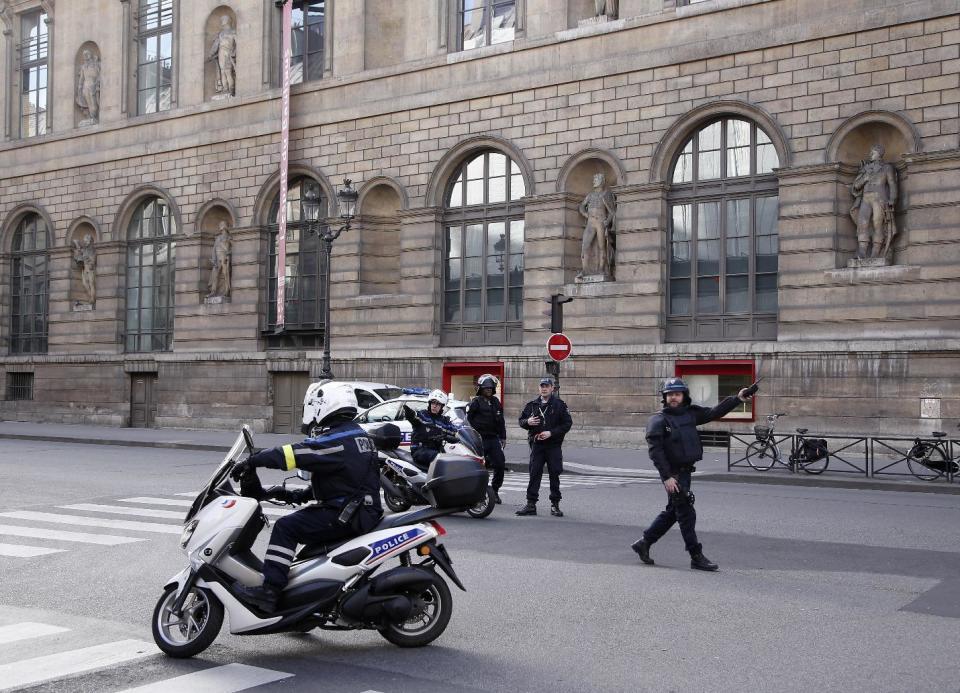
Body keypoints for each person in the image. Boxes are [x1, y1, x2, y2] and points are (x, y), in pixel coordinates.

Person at [230, 385, 382, 611]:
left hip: (350, 514)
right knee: (304, 551)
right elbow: (347, 480)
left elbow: (295, 454)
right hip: (356, 508)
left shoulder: (338, 439)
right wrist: (295, 495)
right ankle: (306, 601)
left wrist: (253, 460)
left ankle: (269, 591)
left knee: (286, 527)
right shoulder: (354, 434)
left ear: (324, 405)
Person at [631, 377, 754, 571]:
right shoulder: (658, 420)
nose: (673, 397)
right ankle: (696, 555)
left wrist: (737, 399)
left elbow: (714, 412)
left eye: (677, 394)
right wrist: (667, 477)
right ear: (664, 397)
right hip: (674, 474)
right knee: (687, 513)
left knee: (673, 512)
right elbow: (656, 452)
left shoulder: (691, 414)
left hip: (686, 471)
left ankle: (644, 543)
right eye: (670, 394)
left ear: (684, 396)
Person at [516, 376, 572, 517]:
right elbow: (521, 421)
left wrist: (551, 433)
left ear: (552, 388)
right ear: (539, 388)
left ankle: (555, 505)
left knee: (554, 474)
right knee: (534, 474)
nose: (544, 388)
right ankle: (531, 504)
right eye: (542, 386)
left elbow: (567, 424)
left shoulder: (560, 405)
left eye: (547, 386)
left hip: (553, 446)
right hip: (537, 445)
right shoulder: (532, 405)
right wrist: (527, 421)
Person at [467, 374, 507, 504]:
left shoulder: (496, 402)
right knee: (480, 468)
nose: (489, 390)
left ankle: (494, 490)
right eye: (486, 388)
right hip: (480, 440)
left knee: (500, 464)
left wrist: (503, 437)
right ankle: (479, 492)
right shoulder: (475, 403)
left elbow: (501, 421)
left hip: (493, 439)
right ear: (481, 389)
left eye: (491, 388)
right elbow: (468, 421)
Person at [404, 389, 460, 469]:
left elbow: (453, 429)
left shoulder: (444, 420)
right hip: (419, 450)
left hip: (435, 450)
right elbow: (416, 418)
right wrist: (411, 415)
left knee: (453, 458)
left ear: (442, 406)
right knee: (441, 459)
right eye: (433, 403)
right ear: (430, 403)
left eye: (438, 404)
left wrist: (460, 433)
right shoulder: (422, 415)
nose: (434, 406)